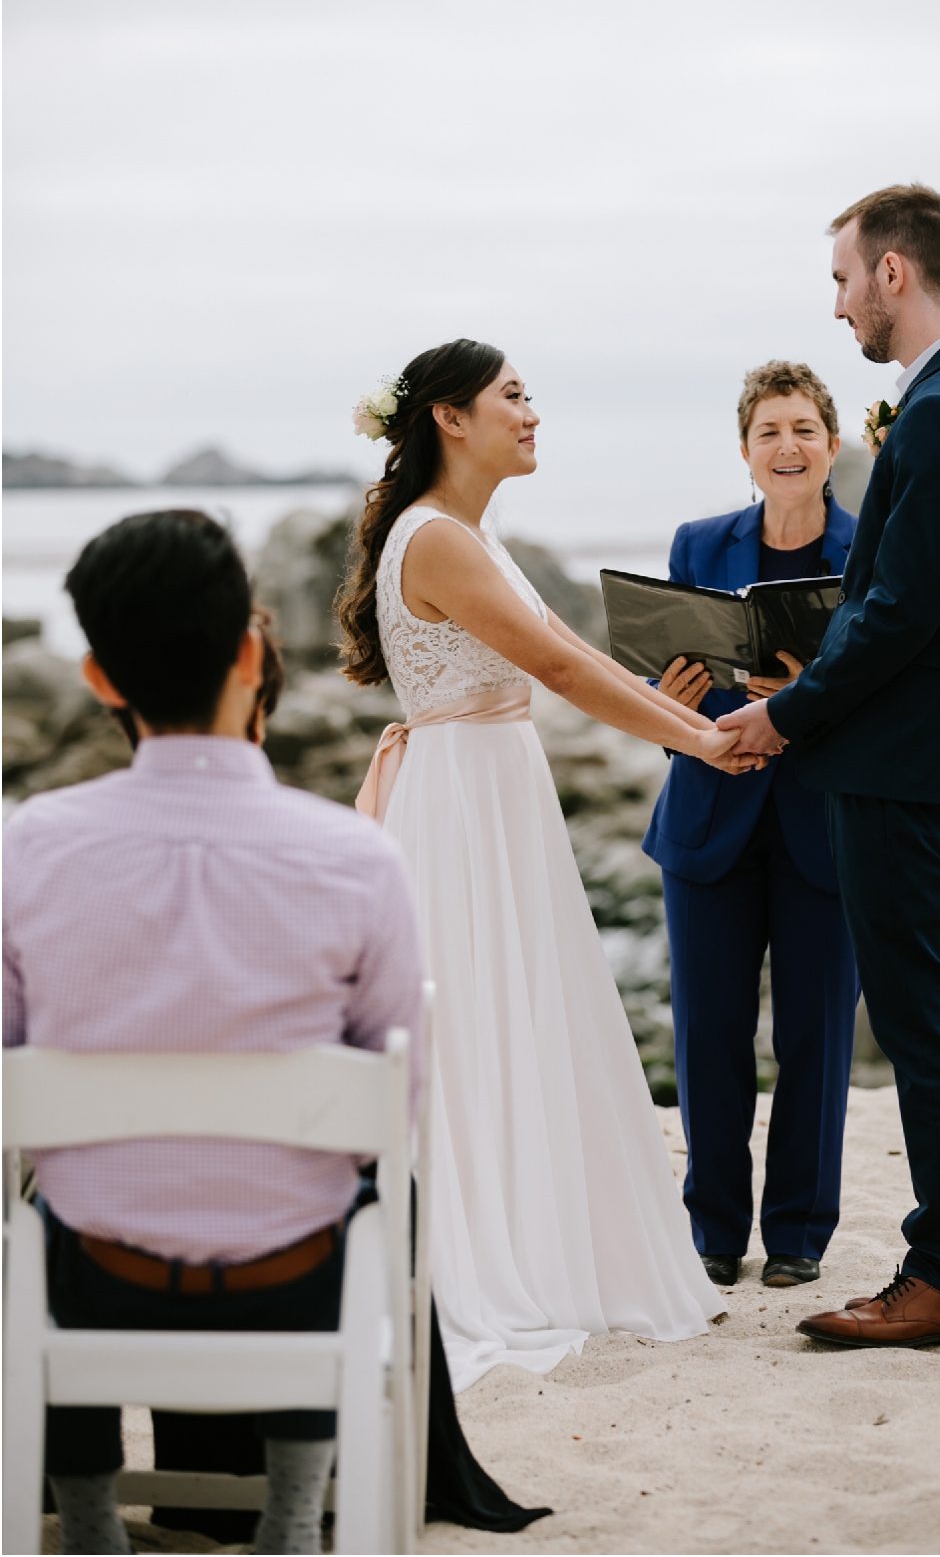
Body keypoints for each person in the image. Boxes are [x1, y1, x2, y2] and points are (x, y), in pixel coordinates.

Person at [1, 509, 533, 1557]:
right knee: (375, 1204)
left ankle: (93, 1509)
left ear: (101, 680)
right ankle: (295, 1502)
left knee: (38, 1214)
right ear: (251, 653)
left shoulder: (31, 848)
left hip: (95, 1279)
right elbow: (399, 1111)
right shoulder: (355, 859)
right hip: (295, 1281)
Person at [339, 339, 754, 1391]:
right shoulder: (435, 540)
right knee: (479, 1010)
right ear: (449, 417)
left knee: (515, 1003)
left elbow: (578, 647)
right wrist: (704, 743)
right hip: (462, 796)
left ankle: (539, 1232)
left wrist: (697, 718)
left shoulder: (468, 533)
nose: (533, 413)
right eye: (513, 396)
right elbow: (560, 667)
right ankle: (493, 1252)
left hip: (491, 782)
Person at [718, 185, 940, 1352]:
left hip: (899, 757)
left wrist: (788, 712)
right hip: (925, 750)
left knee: (922, 1014)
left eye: (846, 279)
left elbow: (897, 611)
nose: (842, 304)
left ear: (894, 273)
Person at [642, 361, 859, 1290]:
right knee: (710, 1032)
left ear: (832, 446)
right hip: (709, 822)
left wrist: (808, 700)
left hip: (826, 822)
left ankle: (801, 1233)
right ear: (745, 450)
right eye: (769, 431)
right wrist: (673, 702)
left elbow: (892, 693)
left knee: (816, 1036)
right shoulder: (699, 544)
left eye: (804, 429)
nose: (788, 446)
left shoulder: (874, 550)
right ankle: (714, 1232)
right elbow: (661, 678)